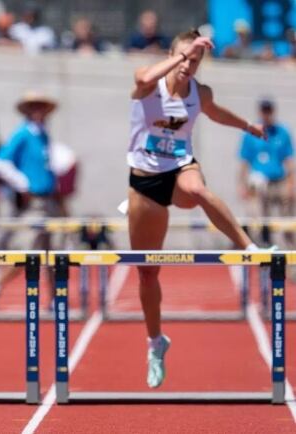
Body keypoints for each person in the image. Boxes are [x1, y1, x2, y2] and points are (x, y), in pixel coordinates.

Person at [127, 30, 267, 389]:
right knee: (146, 274)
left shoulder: (198, 92)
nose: (190, 65)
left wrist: (247, 126)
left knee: (196, 188)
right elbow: (143, 77)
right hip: (146, 182)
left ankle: (247, 247)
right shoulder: (148, 83)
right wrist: (182, 54)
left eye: (196, 61)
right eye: (185, 58)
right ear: (173, 54)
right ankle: (155, 342)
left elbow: (216, 112)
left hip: (181, 169)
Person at [0, 91, 61, 315]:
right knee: (26, 252)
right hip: (33, 204)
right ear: (28, 111)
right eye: (34, 107)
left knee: (52, 253)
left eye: (42, 107)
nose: (39, 111)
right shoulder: (23, 134)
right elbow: (0, 162)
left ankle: (53, 299)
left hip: (48, 201)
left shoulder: (43, 135)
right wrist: (23, 183)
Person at [239, 98, 294, 248]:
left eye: (269, 111)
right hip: (259, 184)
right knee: (260, 220)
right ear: (260, 112)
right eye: (264, 111)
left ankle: (291, 254)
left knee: (287, 220)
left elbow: (289, 160)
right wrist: (242, 185)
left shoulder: (282, 132)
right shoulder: (251, 133)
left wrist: (291, 184)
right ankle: (264, 248)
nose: (266, 115)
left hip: (279, 180)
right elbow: (244, 162)